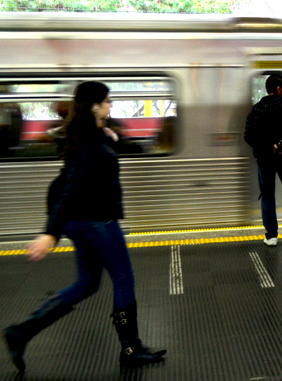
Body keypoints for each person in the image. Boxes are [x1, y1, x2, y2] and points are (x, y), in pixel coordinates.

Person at [3, 81, 166, 373]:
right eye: (107, 101)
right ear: (94, 105)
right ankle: (131, 349)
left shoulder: (88, 135)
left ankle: (21, 332)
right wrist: (50, 232)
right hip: (96, 221)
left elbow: (80, 175)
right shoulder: (90, 143)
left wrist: (108, 137)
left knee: (88, 283)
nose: (110, 105)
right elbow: (71, 188)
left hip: (83, 221)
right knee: (124, 278)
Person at [244, 73, 282, 246]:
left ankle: (271, 236)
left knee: (268, 196)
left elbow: (248, 136)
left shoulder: (257, 109)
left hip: (264, 159)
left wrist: (265, 147)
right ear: (278, 89)